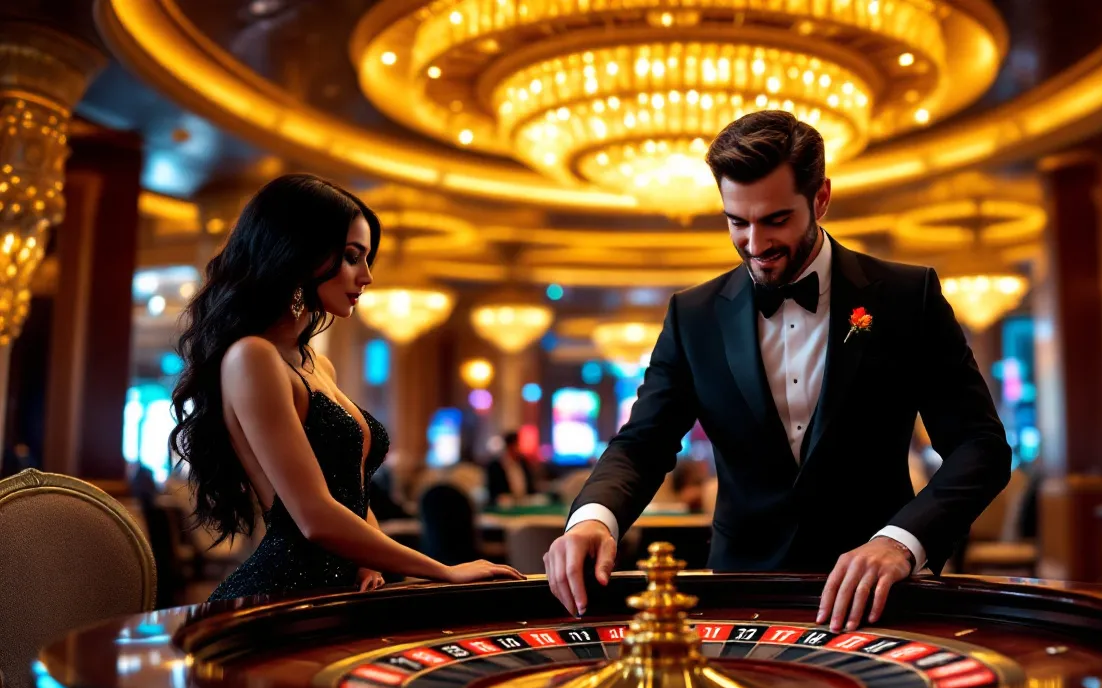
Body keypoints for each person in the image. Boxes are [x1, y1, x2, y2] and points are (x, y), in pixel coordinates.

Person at [544, 111, 1011, 631]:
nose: (755, 243)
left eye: (776, 220)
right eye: (736, 221)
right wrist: (593, 518)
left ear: (821, 199)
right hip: (740, 593)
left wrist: (900, 542)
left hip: (880, 593)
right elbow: (642, 443)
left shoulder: (907, 297)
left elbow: (980, 447)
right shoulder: (693, 315)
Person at [169, 173, 521, 602]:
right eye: (353, 256)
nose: (367, 276)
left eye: (367, 258)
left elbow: (350, 496)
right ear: (299, 254)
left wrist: (371, 558)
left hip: (345, 589)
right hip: (286, 596)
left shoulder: (318, 364)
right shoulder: (252, 357)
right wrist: (441, 570)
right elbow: (314, 516)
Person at [485, 431, 539, 504]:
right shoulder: (495, 466)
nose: (520, 448)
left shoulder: (523, 463)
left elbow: (531, 488)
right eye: (518, 445)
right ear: (510, 446)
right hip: (505, 507)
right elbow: (493, 493)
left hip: (525, 503)